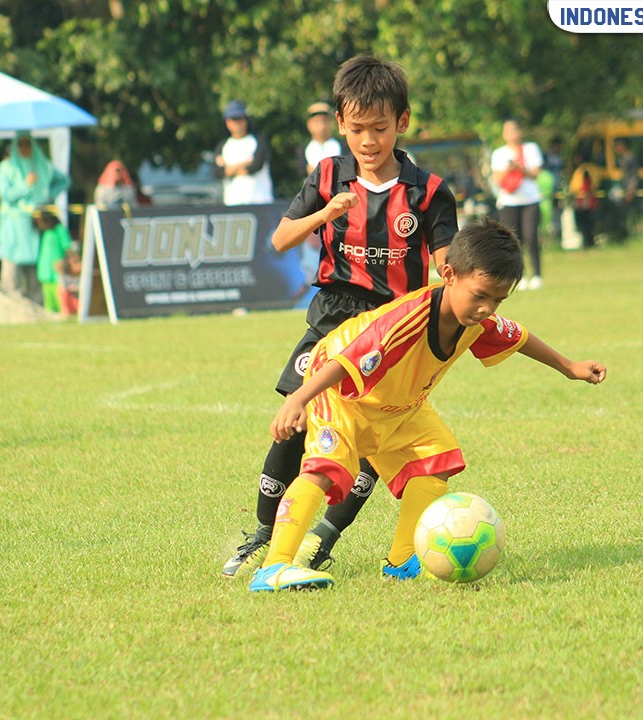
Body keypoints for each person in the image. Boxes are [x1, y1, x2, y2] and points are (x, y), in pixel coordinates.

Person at [248, 218, 607, 591]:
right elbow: (346, 360)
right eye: (480, 295)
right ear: (448, 274)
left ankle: (404, 559)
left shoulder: (477, 321)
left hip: (398, 405)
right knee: (326, 470)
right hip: (340, 391)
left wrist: (570, 368)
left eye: (497, 300)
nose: (487, 308)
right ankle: (273, 568)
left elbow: (521, 337)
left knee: (436, 458)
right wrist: (299, 399)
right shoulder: (409, 318)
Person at [221, 54, 459, 579]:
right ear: (341, 125)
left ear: (403, 122)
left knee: (378, 436)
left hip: (396, 329)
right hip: (333, 318)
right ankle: (263, 535)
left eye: (379, 128)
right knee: (296, 417)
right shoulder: (327, 175)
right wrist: (325, 213)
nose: (368, 141)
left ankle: (323, 539)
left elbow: (446, 265)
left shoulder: (430, 192)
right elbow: (281, 239)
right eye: (356, 130)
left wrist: (466, 277)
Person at [0, 132, 69, 304]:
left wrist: (48, 196)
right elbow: (6, 195)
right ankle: (11, 307)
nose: (24, 148)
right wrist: (25, 185)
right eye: (20, 144)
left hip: (36, 227)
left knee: (37, 271)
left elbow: (64, 181)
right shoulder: (7, 167)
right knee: (12, 271)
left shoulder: (43, 165)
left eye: (28, 144)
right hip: (14, 228)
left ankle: (37, 307)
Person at [491, 119, 543, 289]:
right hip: (509, 200)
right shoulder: (499, 153)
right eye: (508, 131)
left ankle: (536, 274)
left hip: (530, 199)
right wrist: (509, 169)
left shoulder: (530, 149)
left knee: (531, 237)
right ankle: (517, 276)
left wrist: (520, 168)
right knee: (512, 241)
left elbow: (535, 174)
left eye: (515, 130)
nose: (512, 134)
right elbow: (497, 178)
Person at [213, 100, 274, 206]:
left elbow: (255, 166)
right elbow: (217, 172)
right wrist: (245, 163)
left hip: (259, 202)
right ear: (227, 122)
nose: (237, 123)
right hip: (232, 203)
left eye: (240, 119)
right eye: (233, 119)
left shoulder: (258, 141)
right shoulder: (223, 146)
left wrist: (229, 169)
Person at [35, 210, 74, 313]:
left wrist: (73, 260)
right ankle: (50, 312)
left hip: (57, 268)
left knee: (59, 292)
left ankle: (63, 311)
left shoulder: (60, 230)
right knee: (48, 295)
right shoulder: (47, 232)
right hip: (45, 268)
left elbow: (68, 247)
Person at [303, 101, 342, 175]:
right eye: (316, 122)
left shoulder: (345, 146)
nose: (321, 126)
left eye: (325, 121)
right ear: (309, 124)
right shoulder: (302, 150)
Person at [614, 138, 640, 233]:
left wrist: (630, 190)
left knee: (632, 214)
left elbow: (634, 176)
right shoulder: (622, 159)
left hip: (630, 192)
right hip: (625, 190)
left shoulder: (631, 158)